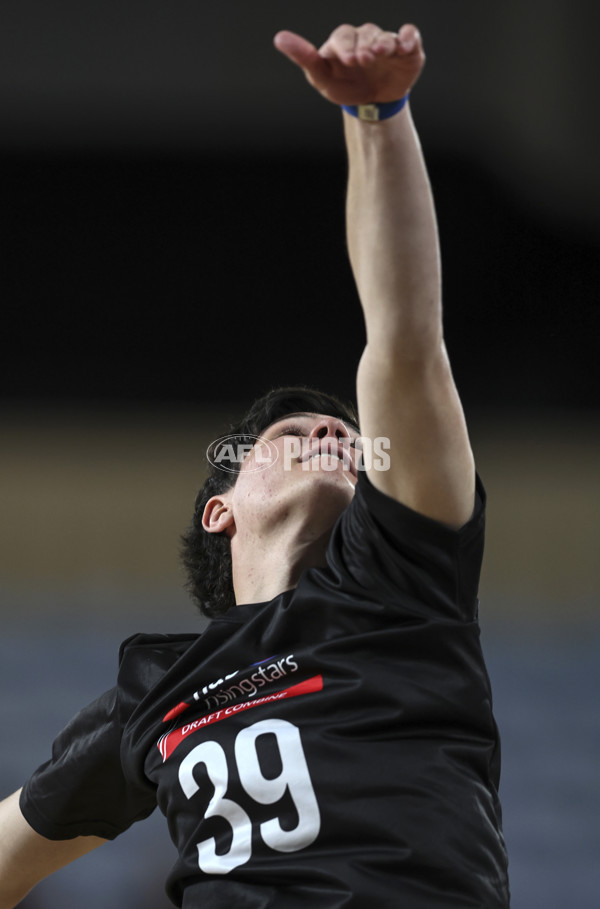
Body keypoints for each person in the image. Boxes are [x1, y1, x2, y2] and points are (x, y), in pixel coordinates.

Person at [0, 21, 510, 909]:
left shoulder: (402, 584)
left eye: (351, 438)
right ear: (219, 510)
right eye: (293, 431)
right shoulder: (151, 694)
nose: (336, 433)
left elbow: (404, 338)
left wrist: (378, 115)